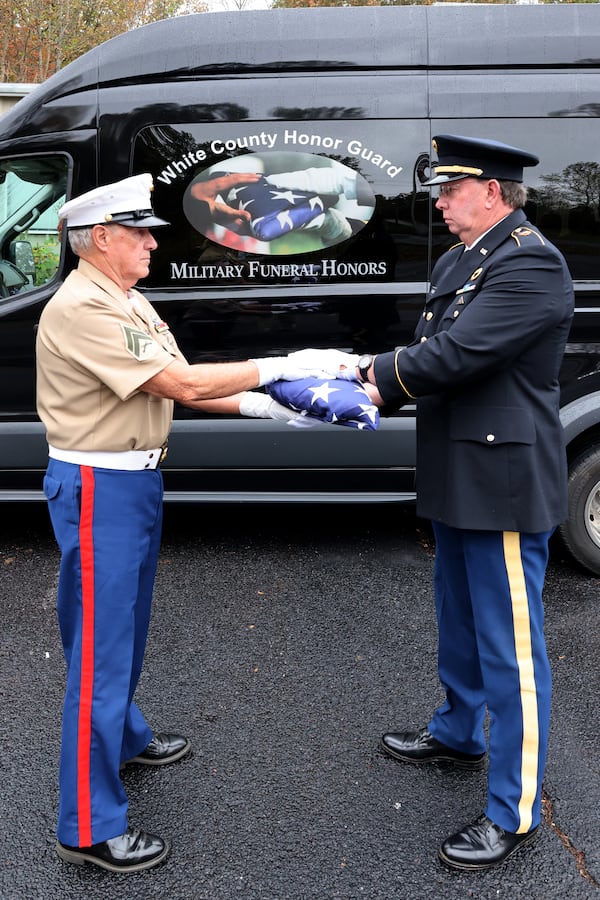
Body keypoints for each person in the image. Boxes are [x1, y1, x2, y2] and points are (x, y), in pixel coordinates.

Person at [281, 135, 575, 871]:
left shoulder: (531, 262)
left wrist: (366, 375)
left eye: (451, 190)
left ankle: (515, 809)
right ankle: (459, 731)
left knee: (512, 649)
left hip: (501, 482)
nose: (438, 202)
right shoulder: (460, 260)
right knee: (458, 621)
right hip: (455, 470)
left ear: (494, 192)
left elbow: (459, 354)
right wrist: (366, 371)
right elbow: (437, 354)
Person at [35, 173, 332, 873]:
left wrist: (272, 407)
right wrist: (282, 368)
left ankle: (126, 736)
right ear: (100, 238)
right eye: (138, 232)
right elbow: (185, 385)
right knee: (100, 658)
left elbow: (184, 384)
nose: (150, 242)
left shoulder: (123, 297)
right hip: (98, 483)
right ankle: (86, 823)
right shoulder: (85, 306)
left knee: (123, 633)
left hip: (130, 482)